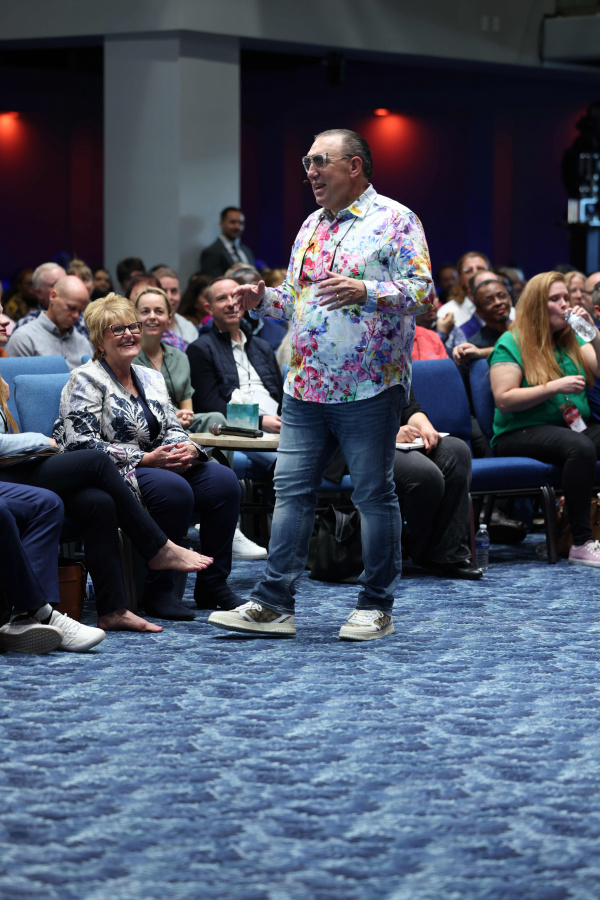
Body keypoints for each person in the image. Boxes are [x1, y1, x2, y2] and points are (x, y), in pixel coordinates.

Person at [208, 127, 432, 641]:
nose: (309, 172)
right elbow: (298, 300)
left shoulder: (396, 220)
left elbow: (422, 294)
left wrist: (366, 290)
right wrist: (263, 299)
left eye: (319, 161)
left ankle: (375, 606)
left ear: (354, 166)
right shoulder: (311, 225)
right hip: (306, 384)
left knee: (372, 495)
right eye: (306, 163)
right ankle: (273, 604)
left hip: (369, 385)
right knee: (290, 492)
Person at [55, 293, 242, 614]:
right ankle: (158, 592)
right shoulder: (85, 379)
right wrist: (146, 459)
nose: (129, 334)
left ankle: (213, 584)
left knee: (224, 482)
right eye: (117, 329)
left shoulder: (150, 376)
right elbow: (80, 444)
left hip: (160, 462)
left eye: (133, 326)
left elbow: (173, 427)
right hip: (114, 472)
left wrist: (186, 449)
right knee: (174, 490)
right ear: (99, 341)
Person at [489, 271, 600, 567]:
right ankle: (581, 542)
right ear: (537, 305)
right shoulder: (511, 342)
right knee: (580, 447)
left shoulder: (570, 339)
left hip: (568, 429)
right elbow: (504, 399)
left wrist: (594, 333)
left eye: (566, 297)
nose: (565, 304)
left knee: (579, 442)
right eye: (555, 299)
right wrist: (553, 387)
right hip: (519, 432)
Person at [394, 389, 479, 579]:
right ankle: (419, 549)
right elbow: (340, 419)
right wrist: (389, 433)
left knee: (457, 451)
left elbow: (409, 407)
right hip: (358, 444)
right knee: (424, 474)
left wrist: (425, 427)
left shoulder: (393, 368)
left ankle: (449, 554)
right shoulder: (340, 371)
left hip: (397, 441)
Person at [187, 276, 283, 438]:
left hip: (276, 424)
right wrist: (259, 421)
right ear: (209, 308)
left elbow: (280, 395)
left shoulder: (263, 347)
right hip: (234, 431)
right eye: (221, 299)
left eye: (234, 296)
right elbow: (209, 406)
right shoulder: (200, 349)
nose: (231, 304)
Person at [6, 275, 92, 369]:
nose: (76, 316)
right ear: (53, 296)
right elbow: (13, 378)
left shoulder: (84, 344)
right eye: (72, 308)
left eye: (80, 311)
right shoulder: (23, 338)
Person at [437, 251, 491, 329]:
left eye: (480, 269)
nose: (475, 273)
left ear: (490, 273)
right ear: (460, 278)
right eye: (468, 271)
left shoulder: (505, 307)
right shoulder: (447, 312)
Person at [200, 207, 255, 277]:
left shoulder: (247, 251)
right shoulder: (211, 252)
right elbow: (215, 280)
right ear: (222, 224)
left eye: (241, 223)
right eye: (232, 222)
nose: (237, 227)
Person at [153, 266, 200, 345]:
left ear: (179, 295)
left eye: (174, 291)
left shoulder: (189, 328)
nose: (169, 297)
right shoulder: (142, 327)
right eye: (163, 291)